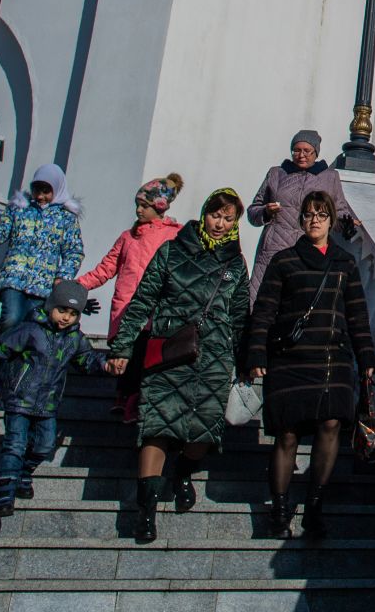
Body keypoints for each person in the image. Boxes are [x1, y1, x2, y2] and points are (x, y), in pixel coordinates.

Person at [106, 189, 249, 545]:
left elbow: (240, 318)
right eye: (216, 215)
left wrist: (246, 361)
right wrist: (122, 346)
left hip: (214, 358)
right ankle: (146, 511)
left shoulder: (235, 264)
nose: (220, 223)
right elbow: (143, 300)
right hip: (170, 352)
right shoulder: (172, 250)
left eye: (228, 218)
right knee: (157, 427)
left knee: (202, 432)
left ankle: (183, 472)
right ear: (205, 214)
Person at [244, 191, 375, 539]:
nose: (314, 220)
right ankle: (280, 506)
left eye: (321, 214)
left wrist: (367, 358)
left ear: (332, 221)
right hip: (291, 358)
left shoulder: (344, 264)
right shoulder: (284, 261)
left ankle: (315, 504)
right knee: (287, 433)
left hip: (332, 358)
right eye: (308, 214)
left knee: (331, 424)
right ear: (301, 220)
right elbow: (265, 310)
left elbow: (357, 315)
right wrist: (256, 353)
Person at [0, 279, 108, 516]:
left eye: (73, 313)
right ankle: (4, 495)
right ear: (50, 306)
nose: (66, 318)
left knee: (45, 445)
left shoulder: (75, 338)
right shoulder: (30, 329)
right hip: (19, 399)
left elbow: (87, 360)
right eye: (62, 310)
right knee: (15, 446)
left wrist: (107, 365)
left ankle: (24, 473)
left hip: (47, 405)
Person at [78, 175, 185, 418]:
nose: (139, 210)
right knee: (126, 352)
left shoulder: (174, 236)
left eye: (144, 206)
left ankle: (133, 400)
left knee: (141, 356)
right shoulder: (128, 237)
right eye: (137, 205)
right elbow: (106, 268)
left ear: (159, 206)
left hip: (153, 310)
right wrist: (77, 286)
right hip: (125, 307)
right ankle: (123, 395)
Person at [0, 164, 85, 329]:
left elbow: (74, 252)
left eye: (46, 191)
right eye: (37, 190)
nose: (40, 196)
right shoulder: (19, 209)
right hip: (13, 277)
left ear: (57, 188)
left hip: (43, 284)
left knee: (27, 326)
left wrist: (62, 277)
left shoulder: (66, 218)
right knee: (11, 317)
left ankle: (4, 354)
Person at [247, 131, 352, 297]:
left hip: (310, 248)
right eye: (296, 150)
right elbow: (253, 210)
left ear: (316, 152)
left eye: (307, 151)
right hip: (273, 247)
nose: (301, 155)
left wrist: (347, 223)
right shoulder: (276, 173)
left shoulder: (329, 177)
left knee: (300, 298)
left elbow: (339, 210)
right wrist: (266, 211)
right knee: (265, 296)